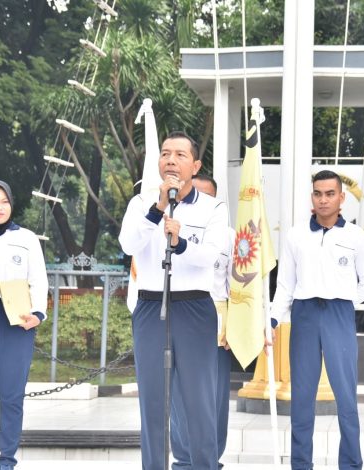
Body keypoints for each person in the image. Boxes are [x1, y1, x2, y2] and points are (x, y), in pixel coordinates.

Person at [118, 132, 229, 470]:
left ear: (194, 165)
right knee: (152, 403)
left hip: (195, 308)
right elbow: (128, 244)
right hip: (151, 307)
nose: (170, 160)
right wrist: (158, 209)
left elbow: (210, 255)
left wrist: (180, 243)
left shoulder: (213, 207)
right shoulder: (141, 204)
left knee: (199, 403)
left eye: (180, 155)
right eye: (165, 153)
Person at [270, 170, 364, 470]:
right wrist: (273, 319)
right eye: (318, 193)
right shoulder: (296, 235)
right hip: (304, 315)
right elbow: (285, 285)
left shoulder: (355, 236)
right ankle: (301, 465)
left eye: (330, 194)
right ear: (312, 197)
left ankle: (351, 465)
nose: (323, 199)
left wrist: (343, 300)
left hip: (339, 315)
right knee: (302, 397)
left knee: (346, 396)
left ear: (342, 198)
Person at [0, 180, 48, 470]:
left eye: (3, 201)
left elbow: (38, 278)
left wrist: (38, 313)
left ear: (11, 203)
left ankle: (7, 462)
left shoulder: (26, 238)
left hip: (17, 320)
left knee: (12, 395)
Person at [170, 174, 235, 469]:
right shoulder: (168, 225)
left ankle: (211, 459)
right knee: (179, 395)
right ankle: (183, 458)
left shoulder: (232, 237)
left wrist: (233, 325)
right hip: (178, 313)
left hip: (216, 319)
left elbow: (241, 284)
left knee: (213, 396)